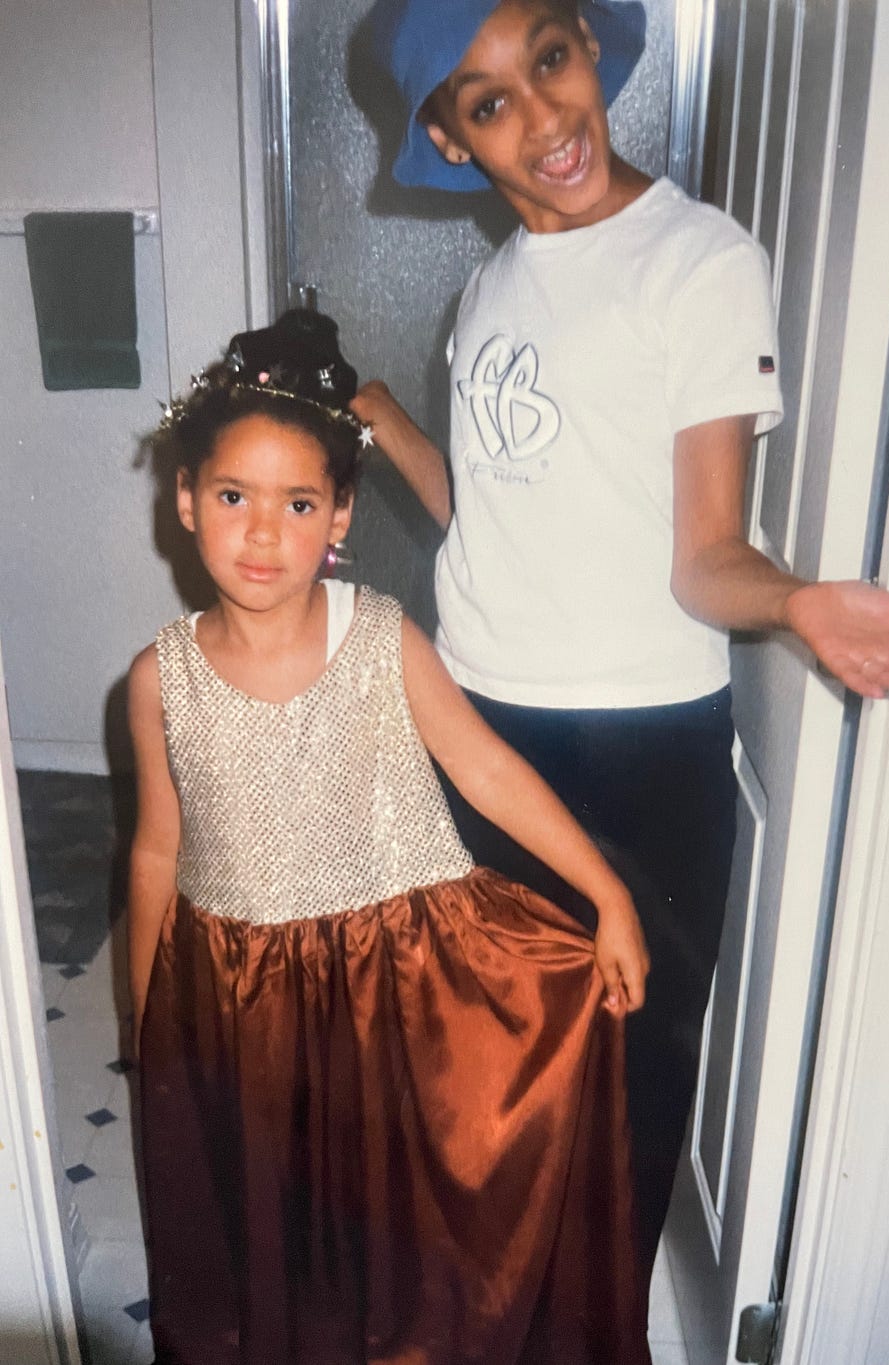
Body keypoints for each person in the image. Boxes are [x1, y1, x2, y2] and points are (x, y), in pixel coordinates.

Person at [356, 0, 889, 1290]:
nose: (543, 118)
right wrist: (372, 414)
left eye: (551, 63)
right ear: (453, 144)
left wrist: (797, 600)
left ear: (590, 49)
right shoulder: (485, 291)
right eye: (488, 102)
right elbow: (484, 511)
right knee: (480, 1082)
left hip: (635, 749)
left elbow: (704, 556)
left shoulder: (700, 261)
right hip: (475, 728)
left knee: (627, 1093)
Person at [127, 309, 653, 1365]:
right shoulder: (157, 680)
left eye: (299, 502)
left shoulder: (379, 637)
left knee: (401, 1233)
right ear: (186, 500)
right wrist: (148, 1028)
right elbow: (154, 850)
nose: (264, 532)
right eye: (234, 496)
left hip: (396, 986)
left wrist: (610, 895)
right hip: (245, 1005)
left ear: (340, 516)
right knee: (273, 1230)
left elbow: (486, 768)